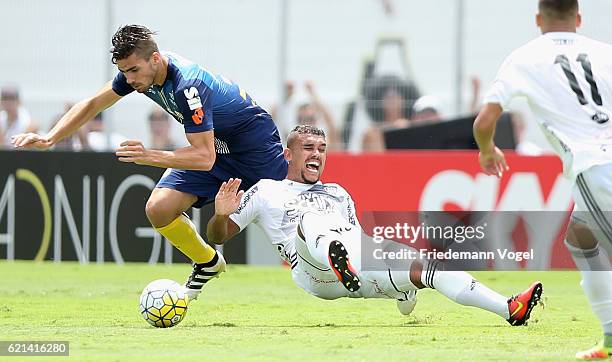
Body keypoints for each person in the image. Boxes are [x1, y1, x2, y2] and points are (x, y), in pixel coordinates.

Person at [10, 24, 288, 301]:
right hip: (217, 148)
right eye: (123, 72)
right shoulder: (139, 74)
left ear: (155, 59)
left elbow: (204, 158)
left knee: (289, 224)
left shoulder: (188, 86)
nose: (129, 79)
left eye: (133, 71)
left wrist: (149, 155)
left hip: (257, 154)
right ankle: (208, 262)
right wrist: (50, 138)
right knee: (158, 209)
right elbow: (94, 103)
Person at [207, 125, 543, 325]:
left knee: (428, 267)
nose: (317, 154)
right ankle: (352, 268)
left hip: (352, 263)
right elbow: (217, 237)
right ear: (288, 154)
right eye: (308, 148)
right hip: (310, 270)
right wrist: (221, 215)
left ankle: (508, 308)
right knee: (311, 218)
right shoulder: (267, 190)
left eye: (322, 149)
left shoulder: (340, 193)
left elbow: (360, 237)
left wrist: (390, 261)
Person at [473, 1, 612, 359]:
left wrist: (487, 150)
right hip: (602, 162)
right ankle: (611, 338)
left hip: (596, 167)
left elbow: (484, 122)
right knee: (580, 238)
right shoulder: (604, 53)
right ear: (579, 18)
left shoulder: (524, 58)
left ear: (538, 19)